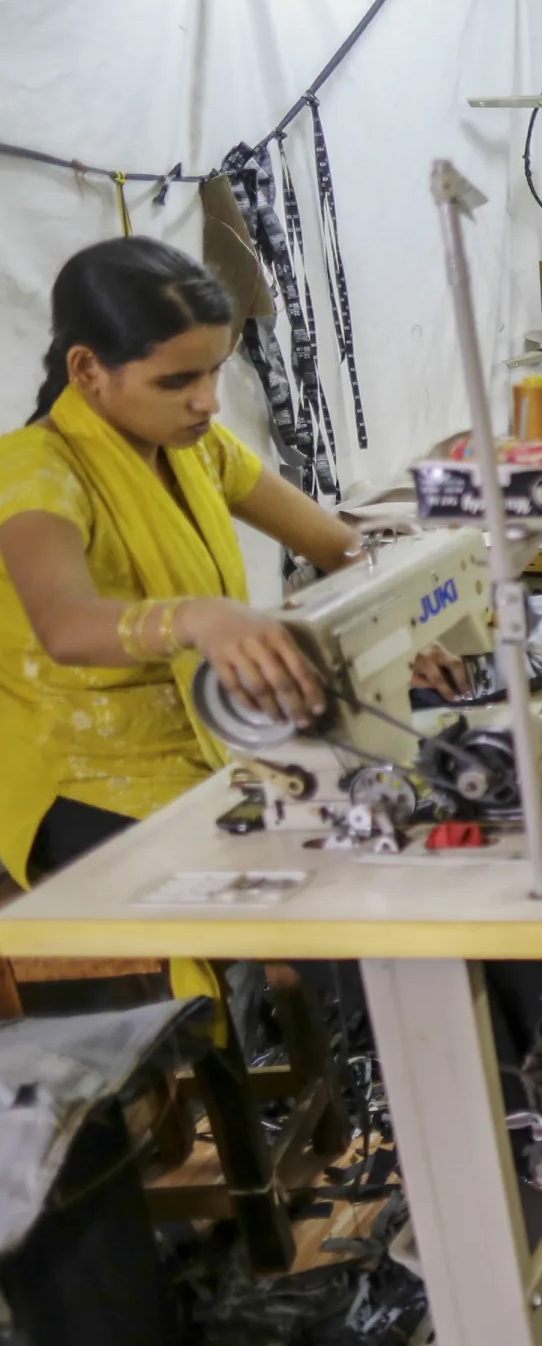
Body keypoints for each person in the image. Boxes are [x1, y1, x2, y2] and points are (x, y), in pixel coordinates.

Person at [0, 236, 463, 891]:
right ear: (86, 370)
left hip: (218, 748)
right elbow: (65, 625)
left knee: (402, 844)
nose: (208, 401)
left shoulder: (198, 449)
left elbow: (339, 547)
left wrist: (400, 622)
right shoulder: (32, 472)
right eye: (177, 381)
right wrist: (196, 618)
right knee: (341, 886)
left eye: (215, 371)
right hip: (85, 786)